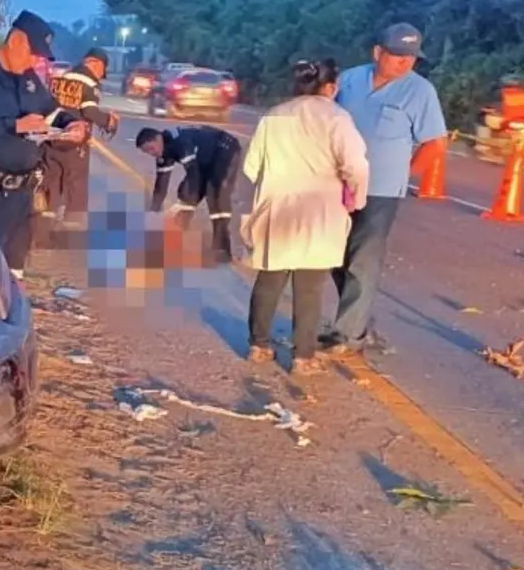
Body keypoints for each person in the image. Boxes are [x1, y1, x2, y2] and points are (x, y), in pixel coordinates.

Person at [321, 23, 448, 355]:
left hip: (381, 190)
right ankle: (358, 324)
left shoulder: (420, 92)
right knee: (334, 256)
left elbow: (435, 143)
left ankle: (347, 334)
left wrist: (403, 177)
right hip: (339, 184)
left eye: (411, 58)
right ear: (377, 52)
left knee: (363, 259)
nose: (404, 63)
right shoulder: (349, 80)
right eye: (397, 55)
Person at [241, 59, 370, 376]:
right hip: (320, 211)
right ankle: (303, 357)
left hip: (278, 207)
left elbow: (251, 166)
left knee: (269, 279)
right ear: (330, 87)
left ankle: (258, 345)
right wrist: (357, 198)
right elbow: (357, 166)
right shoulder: (337, 118)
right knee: (310, 286)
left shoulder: (275, 116)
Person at [0, 11, 86, 279]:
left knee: (14, 274)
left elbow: (52, 112)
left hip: (24, 196)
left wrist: (71, 124)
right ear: (15, 41)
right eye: (33, 53)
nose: (36, 61)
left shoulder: (30, 80)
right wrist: (15, 126)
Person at [134, 124, 242, 264]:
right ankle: (176, 240)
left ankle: (222, 250)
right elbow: (161, 186)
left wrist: (184, 202)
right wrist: (152, 214)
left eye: (151, 148)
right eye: (147, 152)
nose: (151, 153)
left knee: (214, 194)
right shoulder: (163, 153)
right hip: (204, 160)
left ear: (158, 138)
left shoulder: (180, 143)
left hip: (225, 149)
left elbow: (194, 175)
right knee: (186, 193)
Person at [44, 48, 121, 225]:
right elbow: (89, 111)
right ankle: (73, 222)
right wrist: (109, 121)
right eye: (102, 70)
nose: (101, 75)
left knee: (53, 177)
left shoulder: (61, 77)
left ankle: (46, 221)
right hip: (75, 139)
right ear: (96, 64)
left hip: (51, 136)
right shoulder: (90, 83)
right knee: (76, 179)